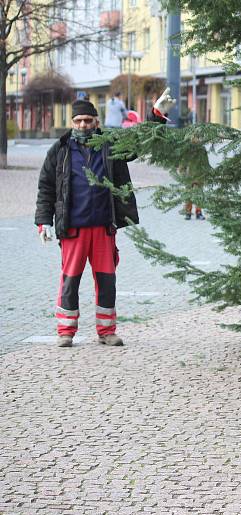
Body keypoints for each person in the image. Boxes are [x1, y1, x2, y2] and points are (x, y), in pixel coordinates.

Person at [34, 89, 176, 347]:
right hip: (73, 228)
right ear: (72, 123)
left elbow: (137, 144)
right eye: (78, 121)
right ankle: (66, 330)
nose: (83, 125)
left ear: (96, 122)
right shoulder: (60, 149)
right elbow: (46, 187)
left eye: (88, 121)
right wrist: (43, 220)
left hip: (103, 226)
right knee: (70, 281)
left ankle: (107, 331)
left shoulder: (109, 143)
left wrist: (156, 115)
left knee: (106, 281)